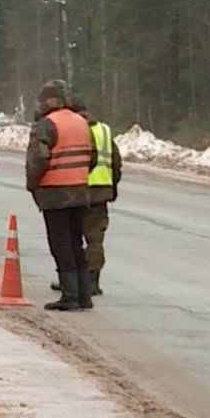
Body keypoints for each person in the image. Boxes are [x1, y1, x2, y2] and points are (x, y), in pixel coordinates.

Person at [25, 79, 98, 311]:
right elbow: (93, 157)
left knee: (61, 244)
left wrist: (33, 185)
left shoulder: (47, 124)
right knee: (77, 243)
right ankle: (84, 295)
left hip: (55, 192)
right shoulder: (82, 122)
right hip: (80, 190)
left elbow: (38, 159)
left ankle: (70, 296)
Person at [53, 99, 121, 298]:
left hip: (75, 190)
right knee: (95, 239)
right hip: (100, 192)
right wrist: (112, 187)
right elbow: (116, 162)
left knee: (71, 238)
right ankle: (92, 281)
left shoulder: (73, 130)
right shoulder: (103, 130)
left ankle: (73, 280)